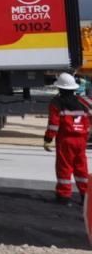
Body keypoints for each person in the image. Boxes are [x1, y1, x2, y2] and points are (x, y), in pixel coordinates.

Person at [44, 72, 91, 205]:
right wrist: (86, 136)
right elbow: (88, 121)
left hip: (66, 140)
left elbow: (54, 124)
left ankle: (64, 196)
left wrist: (48, 139)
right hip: (81, 140)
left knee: (64, 167)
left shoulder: (56, 102)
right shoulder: (82, 101)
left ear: (60, 88)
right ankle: (85, 196)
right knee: (81, 168)